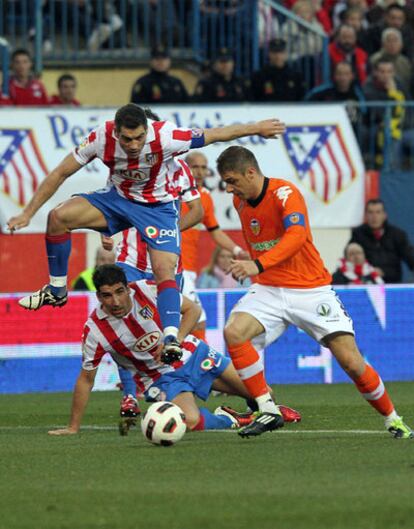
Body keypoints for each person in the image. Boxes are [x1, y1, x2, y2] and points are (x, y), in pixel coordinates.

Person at [7, 103, 285, 363]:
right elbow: (59, 173)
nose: (133, 145)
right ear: (115, 132)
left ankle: (171, 339)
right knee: (58, 217)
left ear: (146, 130)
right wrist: (28, 213)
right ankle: (56, 290)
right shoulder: (100, 137)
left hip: (157, 208)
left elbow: (216, 134)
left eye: (139, 138)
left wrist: (256, 128)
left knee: (164, 268)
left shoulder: (166, 136)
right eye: (126, 139)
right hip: (117, 200)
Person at [215, 145, 413, 439]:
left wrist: (258, 263)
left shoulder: (285, 194)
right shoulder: (240, 202)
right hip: (269, 289)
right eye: (226, 182)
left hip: (310, 290)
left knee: (351, 362)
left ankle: (393, 419)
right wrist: (257, 267)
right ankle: (267, 409)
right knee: (234, 332)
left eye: (232, 180)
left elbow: (296, 237)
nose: (229, 188)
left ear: (251, 172)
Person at [47, 265, 300, 436]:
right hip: (161, 378)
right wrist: (73, 426)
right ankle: (233, 419)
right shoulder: (95, 330)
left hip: (194, 355)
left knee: (266, 393)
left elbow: (193, 310)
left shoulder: (148, 289)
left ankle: (259, 407)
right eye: (106, 296)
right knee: (188, 421)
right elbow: (85, 379)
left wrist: (175, 340)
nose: (115, 301)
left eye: (119, 292)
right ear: (98, 296)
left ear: (128, 287)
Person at [349, 198, 414, 283]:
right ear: (365, 215)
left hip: (393, 285)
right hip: (367, 284)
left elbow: (411, 257)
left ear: (384, 215)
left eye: (378, 212)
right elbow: (348, 259)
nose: (374, 216)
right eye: (370, 212)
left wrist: (383, 272)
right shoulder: (358, 234)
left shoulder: (397, 235)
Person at [250, 38, 305, 103]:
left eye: (281, 52)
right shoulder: (259, 76)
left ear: (285, 54)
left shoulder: (296, 76)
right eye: (274, 52)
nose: (278, 56)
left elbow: (301, 100)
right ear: (269, 54)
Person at [370, 28, 413, 98]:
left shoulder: (405, 62)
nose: (392, 44)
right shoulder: (374, 60)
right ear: (383, 43)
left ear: (401, 44)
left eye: (395, 41)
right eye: (389, 41)